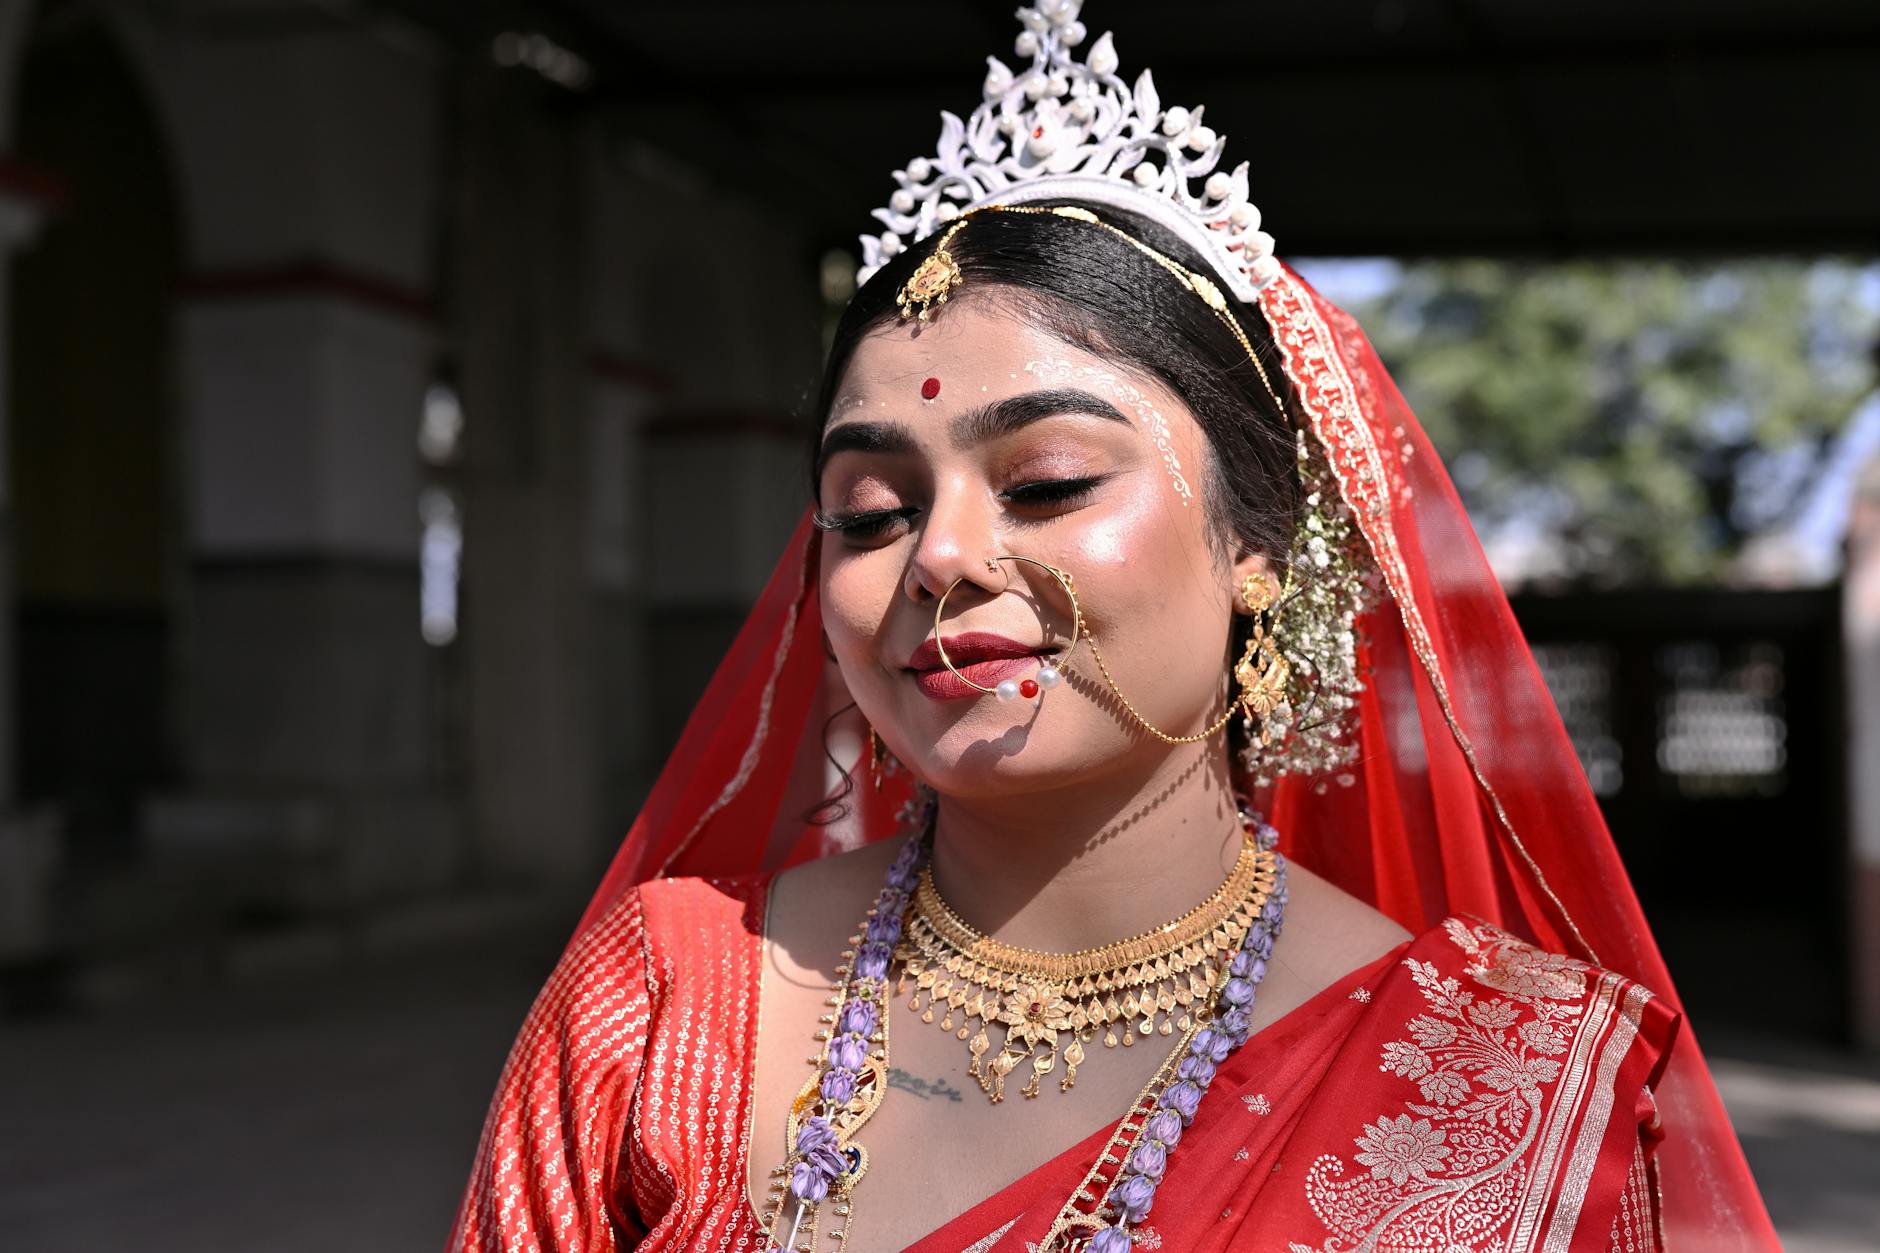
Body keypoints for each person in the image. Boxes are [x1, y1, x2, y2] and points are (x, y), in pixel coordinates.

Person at [448, 5, 1776, 1250]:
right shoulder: (661, 1004)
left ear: (1254, 545)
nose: (941, 556)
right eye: (869, 510)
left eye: (1047, 483)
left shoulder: (1507, 1073)